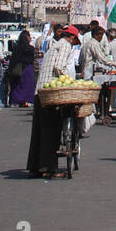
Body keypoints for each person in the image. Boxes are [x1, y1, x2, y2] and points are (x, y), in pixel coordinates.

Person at [27, 26, 78, 179]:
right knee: (51, 130)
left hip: (40, 91)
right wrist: (69, 84)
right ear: (72, 38)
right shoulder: (65, 45)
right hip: (51, 93)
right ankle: (48, 167)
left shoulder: (53, 45)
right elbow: (59, 67)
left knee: (38, 131)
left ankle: (35, 166)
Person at [6, 30, 36, 107]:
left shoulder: (17, 48)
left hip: (17, 69)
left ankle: (15, 101)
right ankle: (26, 101)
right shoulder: (31, 48)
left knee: (17, 86)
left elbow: (13, 60)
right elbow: (32, 59)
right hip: (27, 69)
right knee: (27, 86)